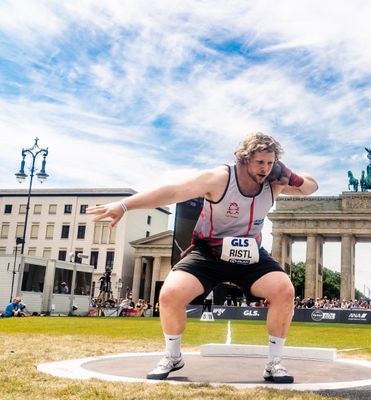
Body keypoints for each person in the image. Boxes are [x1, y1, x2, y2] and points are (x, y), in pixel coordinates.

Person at [88, 132, 318, 382]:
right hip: (208, 252)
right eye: (259, 162)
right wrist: (124, 206)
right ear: (244, 159)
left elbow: (310, 187)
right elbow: (173, 192)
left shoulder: (275, 182)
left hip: (249, 252)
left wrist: (293, 177)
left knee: (284, 290)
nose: (265, 169)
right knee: (170, 294)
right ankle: (173, 356)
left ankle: (274, 364)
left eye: (270, 163)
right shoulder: (220, 178)